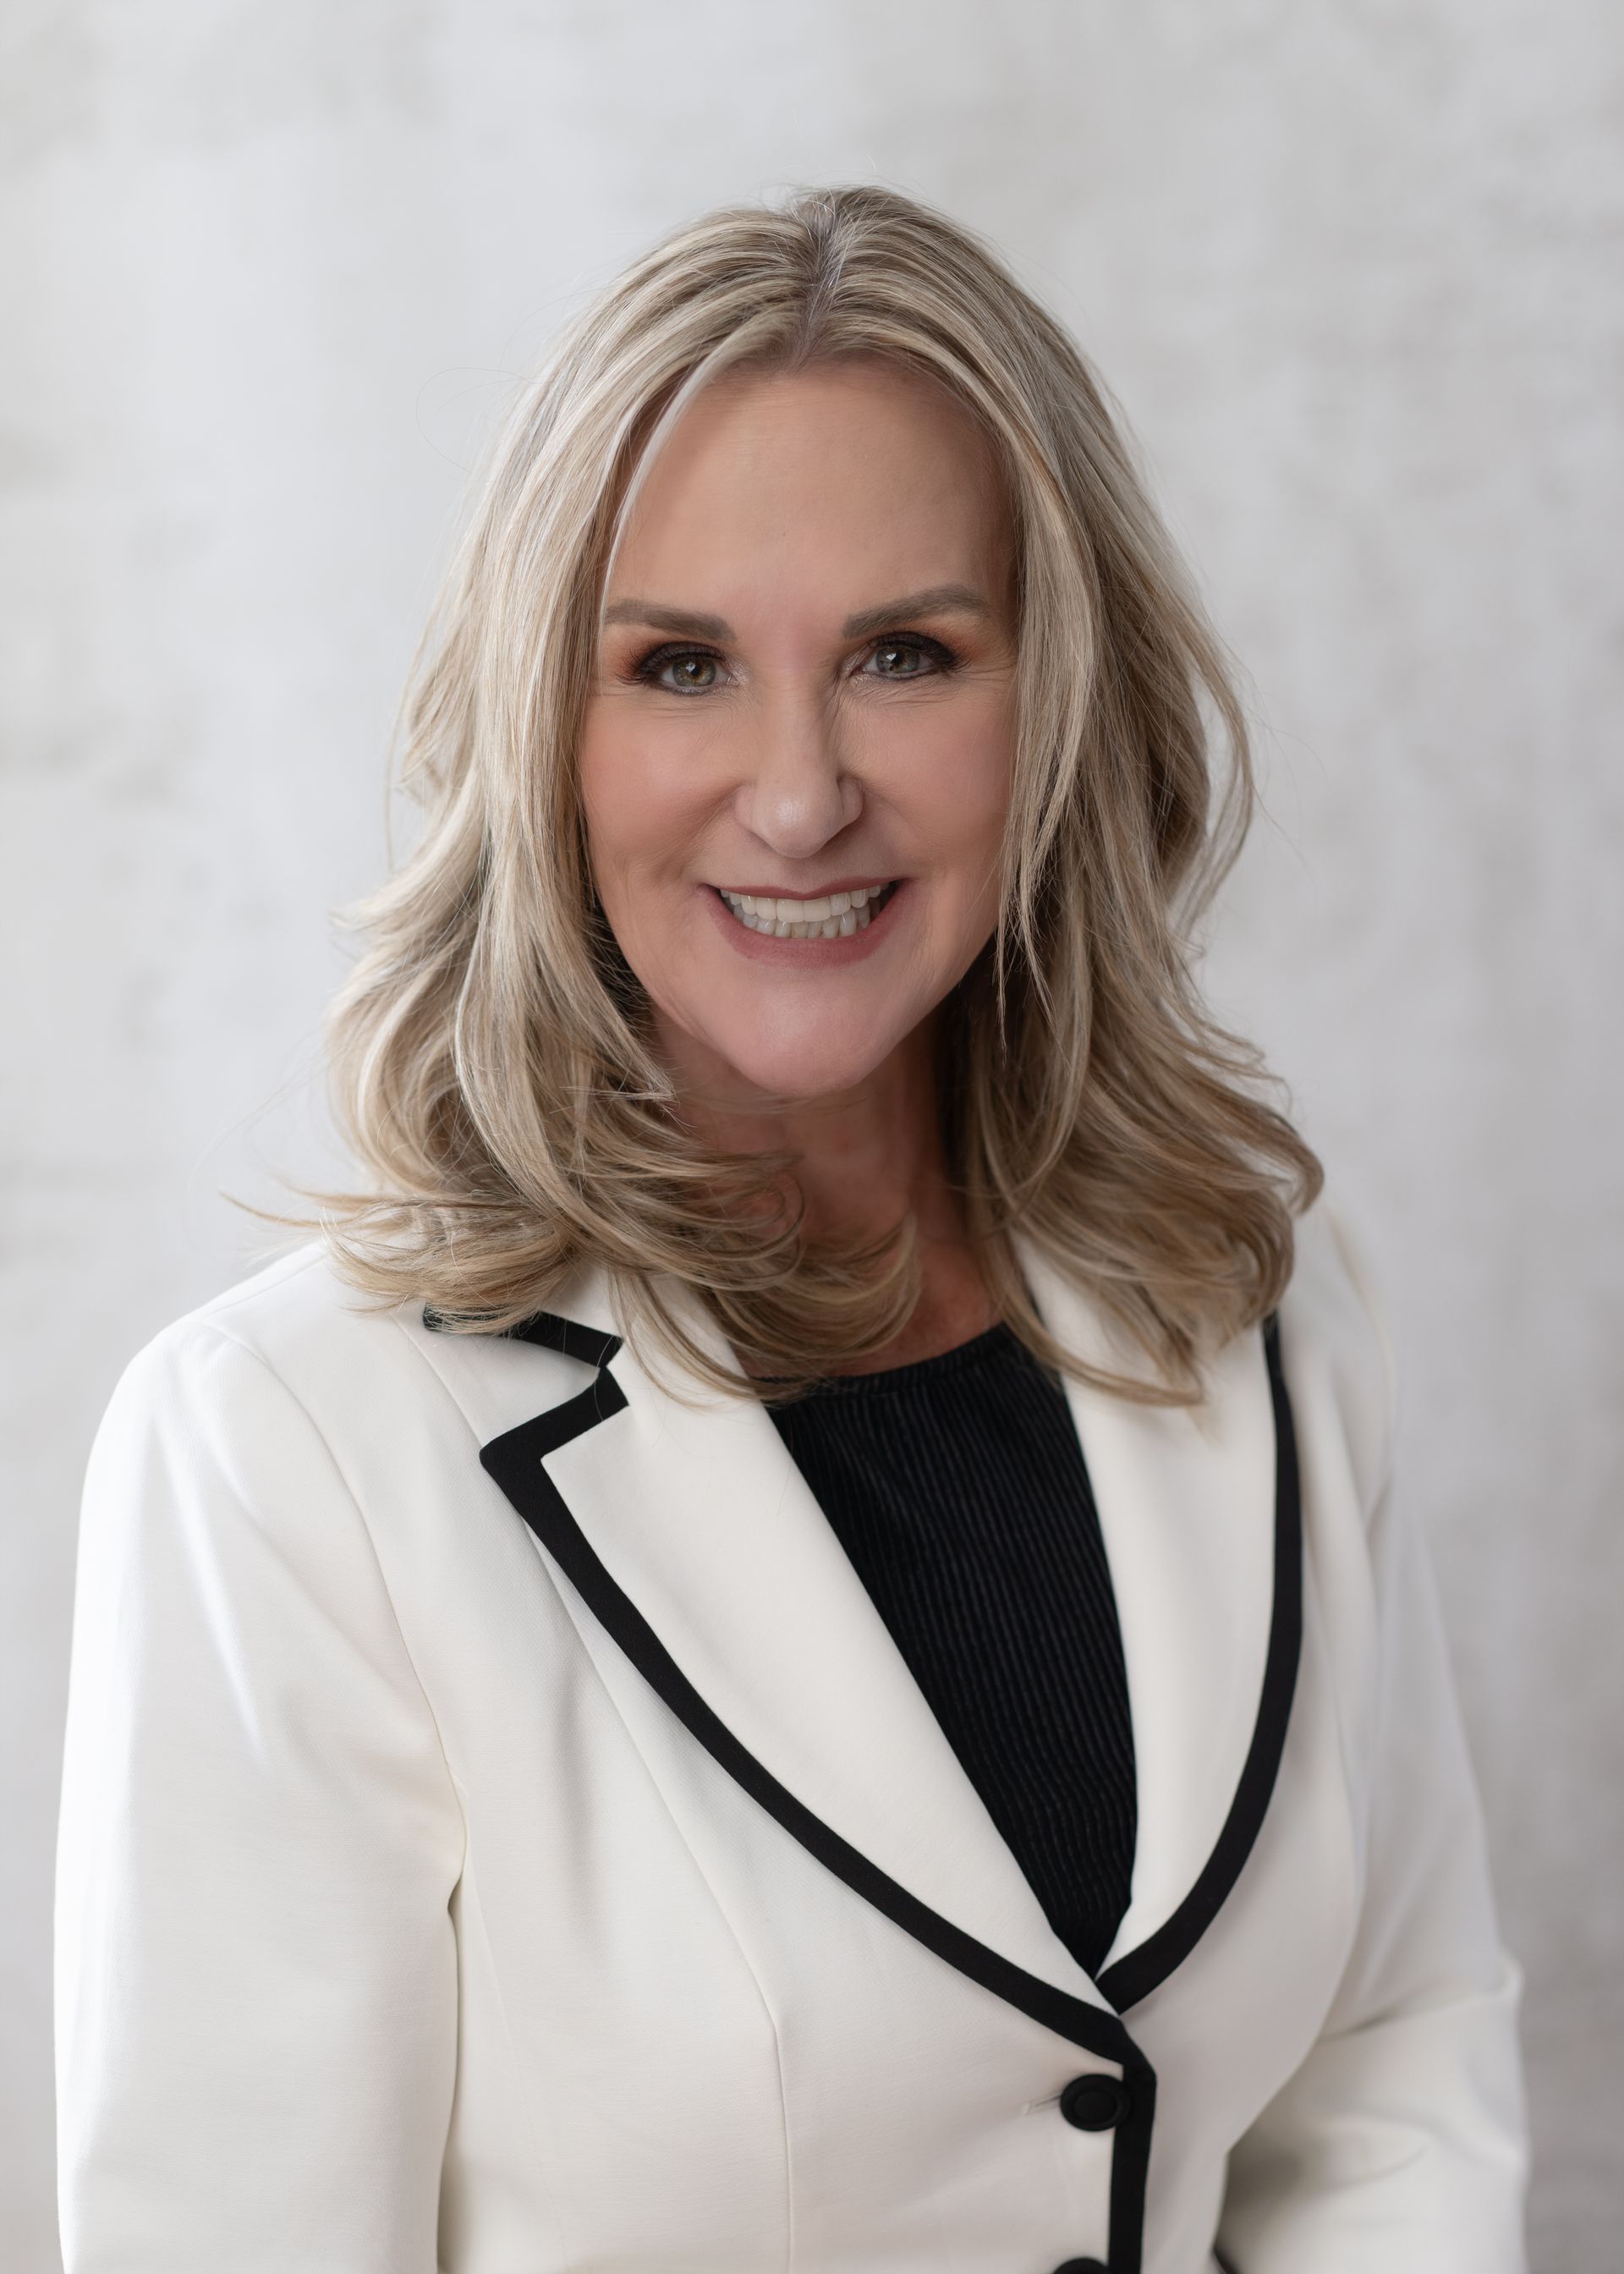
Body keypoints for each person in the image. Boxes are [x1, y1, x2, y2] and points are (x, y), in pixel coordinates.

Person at [54, 184, 1529, 2273]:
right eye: (678, 668)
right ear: (546, 739)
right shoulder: (287, 1452)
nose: (799, 792)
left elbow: (1390, 2084)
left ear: (1058, 707)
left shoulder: (1266, 1306)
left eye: (905, 654)